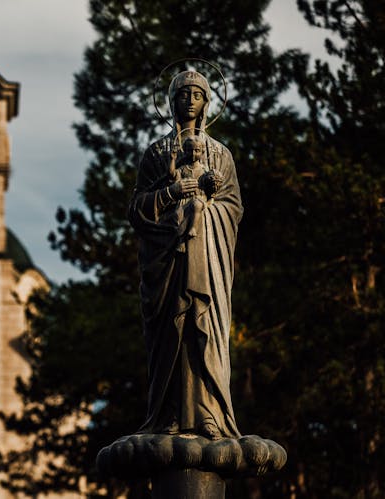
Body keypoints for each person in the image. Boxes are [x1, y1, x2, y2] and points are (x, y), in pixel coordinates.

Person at [128, 70, 242, 440]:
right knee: (173, 331)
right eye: (183, 94)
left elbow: (233, 208)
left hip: (206, 257)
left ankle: (208, 412)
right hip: (169, 261)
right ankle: (169, 414)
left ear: (207, 103)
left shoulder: (221, 154)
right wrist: (172, 193)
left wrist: (208, 206)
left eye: (197, 94)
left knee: (202, 327)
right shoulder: (157, 154)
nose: (190, 101)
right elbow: (137, 210)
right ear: (171, 100)